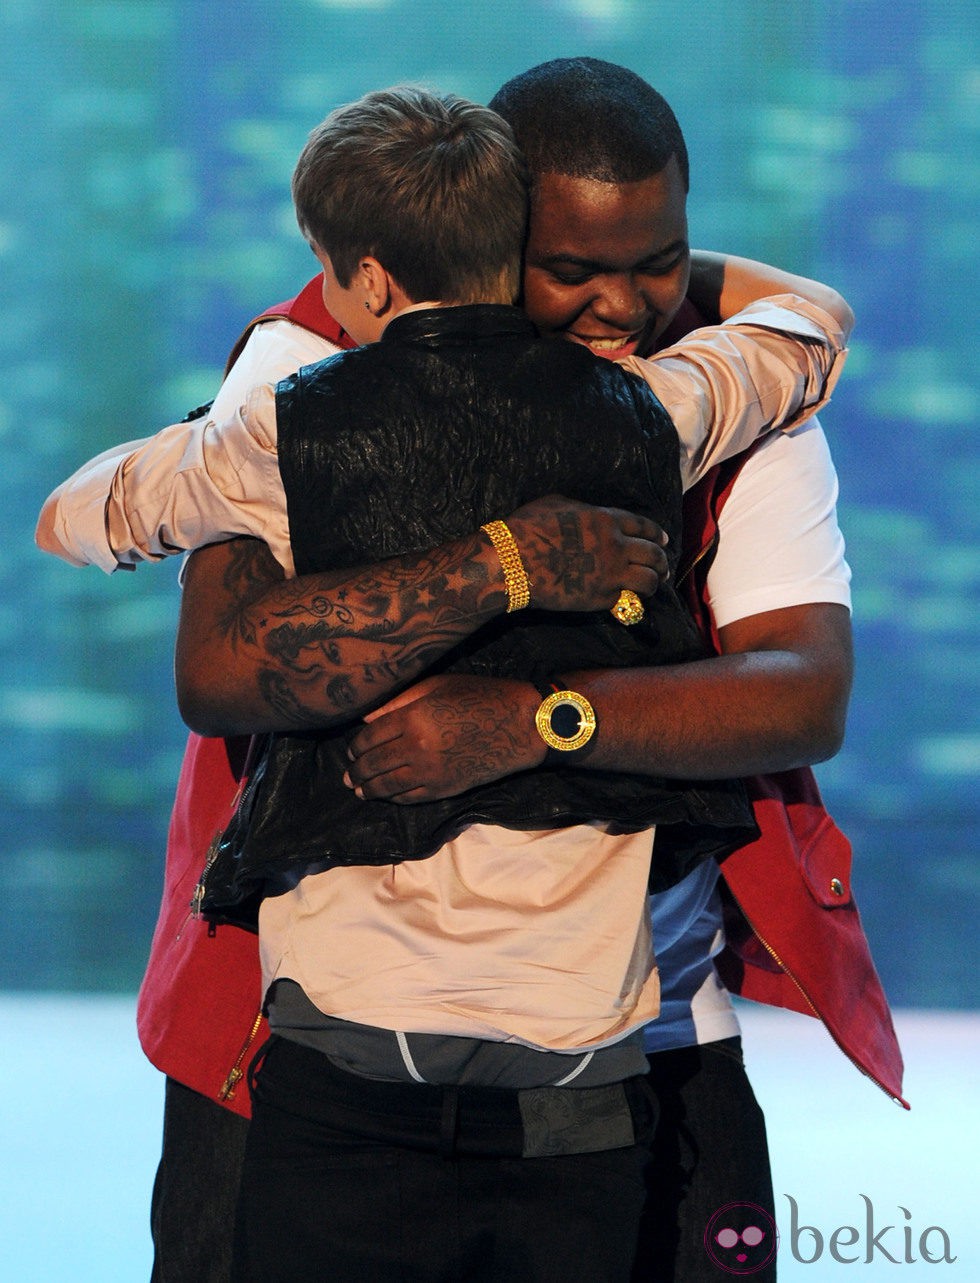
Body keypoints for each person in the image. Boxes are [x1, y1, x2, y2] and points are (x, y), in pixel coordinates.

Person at [33, 59, 901, 1283]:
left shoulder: (301, 423)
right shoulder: (638, 404)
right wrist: (509, 561)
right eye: (574, 268)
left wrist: (531, 717)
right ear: (500, 243)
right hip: (310, 1052)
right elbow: (222, 669)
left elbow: (799, 692)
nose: (625, 303)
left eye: (656, 260)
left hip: (636, 1042)